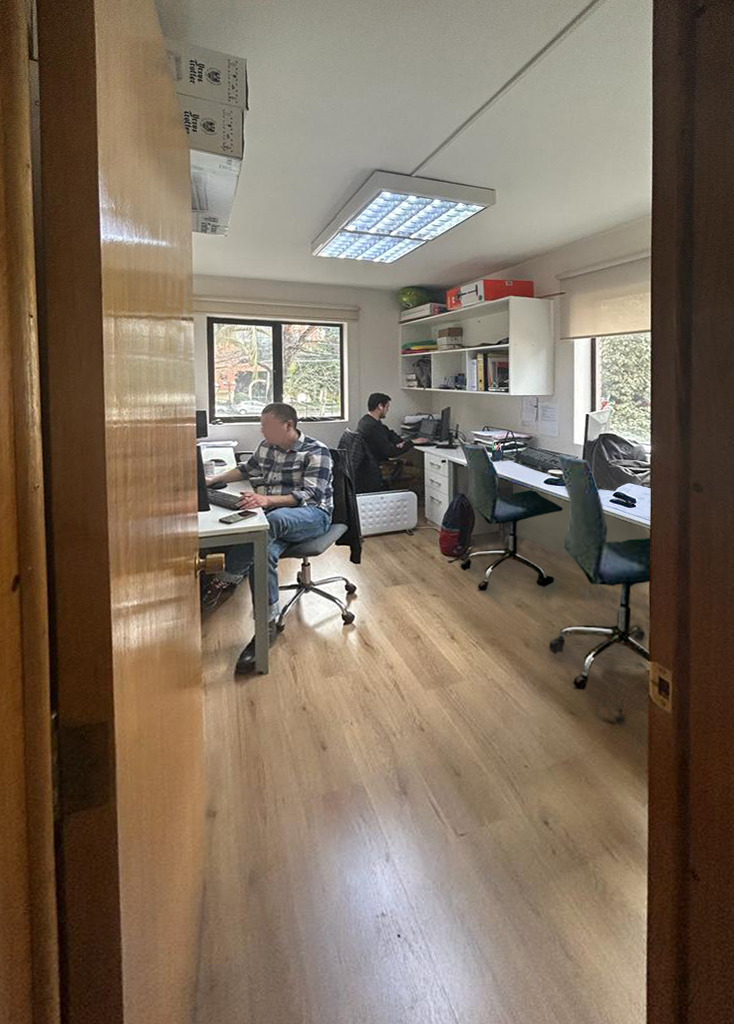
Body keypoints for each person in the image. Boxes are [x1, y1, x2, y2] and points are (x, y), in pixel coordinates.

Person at [202, 403, 333, 673]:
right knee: (263, 552)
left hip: (312, 515)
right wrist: (213, 480)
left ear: (288, 425)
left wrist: (265, 500)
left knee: (270, 523)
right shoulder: (267, 446)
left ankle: (224, 577)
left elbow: (309, 496)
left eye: (267, 426)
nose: (262, 431)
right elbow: (246, 469)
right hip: (276, 516)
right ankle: (268, 625)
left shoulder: (316, 451)